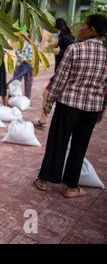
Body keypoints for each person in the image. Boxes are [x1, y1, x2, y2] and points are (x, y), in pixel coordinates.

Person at [34, 14, 107, 198]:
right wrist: (101, 110)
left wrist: (48, 104)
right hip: (91, 109)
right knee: (79, 147)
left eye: (84, 25)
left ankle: (44, 180)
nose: (80, 28)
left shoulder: (75, 49)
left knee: (57, 142)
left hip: (69, 105)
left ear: (92, 31)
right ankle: (71, 187)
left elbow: (59, 80)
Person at [34, 18, 75, 130]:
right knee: (49, 95)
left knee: (47, 94)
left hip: (62, 74)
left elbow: (73, 52)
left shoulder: (66, 38)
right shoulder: (63, 37)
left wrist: (60, 52)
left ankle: (43, 121)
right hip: (60, 73)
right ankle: (43, 120)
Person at [8, 33, 35, 99]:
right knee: (15, 81)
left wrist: (31, 60)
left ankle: (27, 99)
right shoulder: (21, 42)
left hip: (30, 65)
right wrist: (24, 59)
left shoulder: (35, 43)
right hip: (20, 64)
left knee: (28, 83)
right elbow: (17, 52)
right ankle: (11, 97)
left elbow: (36, 54)